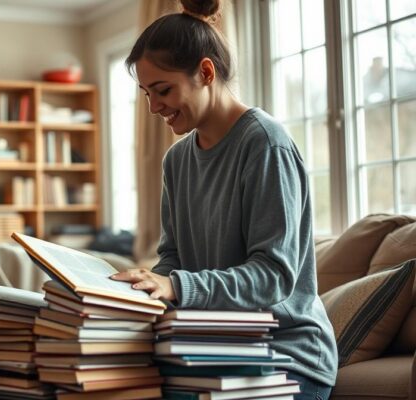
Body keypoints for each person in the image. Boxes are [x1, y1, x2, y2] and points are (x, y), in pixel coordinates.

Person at [109, 1, 338, 398]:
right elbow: (173, 260)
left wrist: (177, 287)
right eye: (146, 93)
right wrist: (138, 293)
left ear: (205, 72)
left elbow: (273, 276)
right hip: (211, 346)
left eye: (163, 90)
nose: (153, 107)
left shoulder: (266, 145)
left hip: (285, 357)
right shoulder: (176, 161)